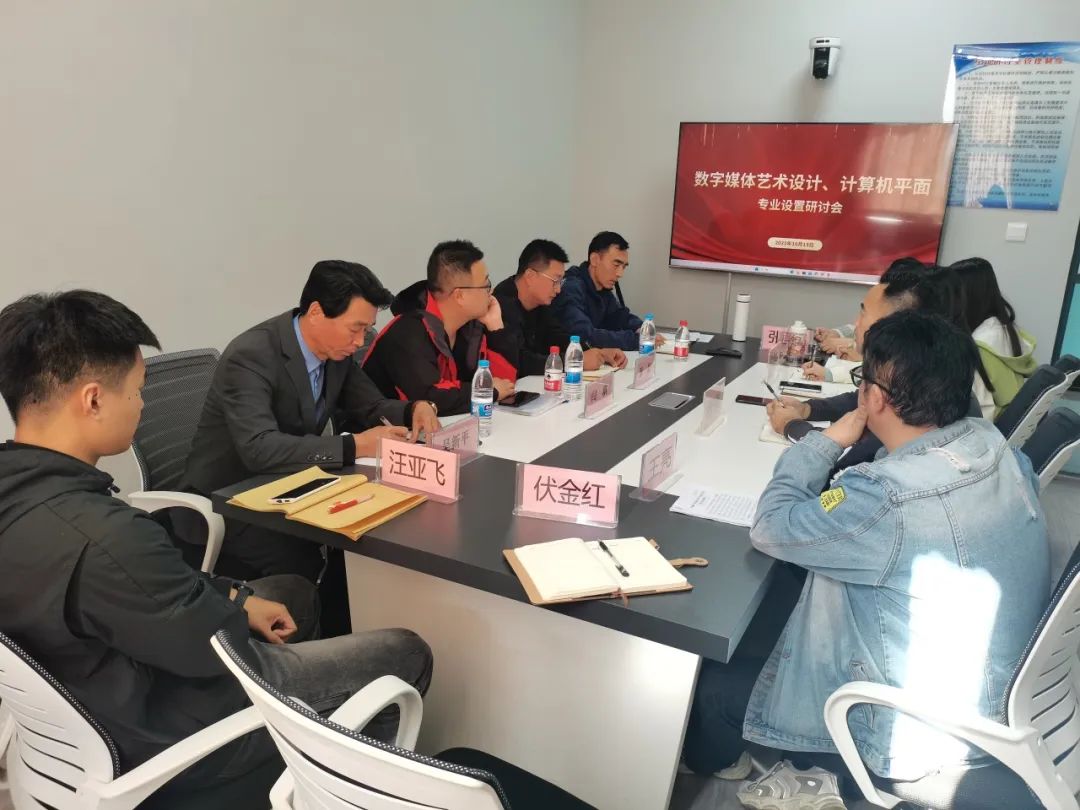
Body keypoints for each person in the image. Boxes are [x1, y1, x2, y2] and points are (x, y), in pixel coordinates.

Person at [0, 290, 433, 808]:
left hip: (88, 703)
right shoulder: (105, 536)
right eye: (137, 391)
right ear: (93, 400)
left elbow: (158, 593)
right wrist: (232, 611)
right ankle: (332, 786)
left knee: (293, 593)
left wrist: (235, 597)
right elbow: (212, 645)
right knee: (406, 651)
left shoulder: (25, 493)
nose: (141, 405)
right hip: (168, 735)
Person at [685, 310, 1050, 806]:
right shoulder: (987, 441)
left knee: (711, 688)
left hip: (912, 727)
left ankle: (730, 766)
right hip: (995, 695)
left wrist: (825, 442)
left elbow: (771, 525)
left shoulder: (888, 496)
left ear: (874, 397)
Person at [183, 260, 440, 588]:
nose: (360, 341)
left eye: (366, 329)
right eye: (355, 328)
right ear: (317, 312)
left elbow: (371, 406)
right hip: (231, 501)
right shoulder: (251, 356)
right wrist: (355, 445)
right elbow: (259, 448)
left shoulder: (335, 352)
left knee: (371, 531)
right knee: (313, 557)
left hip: (291, 485)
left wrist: (414, 409)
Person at [769, 261, 975, 472]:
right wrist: (808, 409)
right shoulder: (926, 374)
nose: (856, 324)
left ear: (896, 326)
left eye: (864, 313)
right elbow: (860, 401)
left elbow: (850, 461)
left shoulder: (915, 404)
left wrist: (792, 426)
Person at [363, 240, 517, 415]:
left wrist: (496, 328)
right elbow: (430, 397)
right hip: (384, 429)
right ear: (459, 295)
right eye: (485, 285)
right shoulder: (407, 333)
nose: (490, 292)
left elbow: (505, 385)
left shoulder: (470, 326)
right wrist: (488, 391)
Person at [489, 238, 627, 377]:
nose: (558, 289)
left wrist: (597, 352)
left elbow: (557, 336)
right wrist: (573, 361)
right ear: (530, 276)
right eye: (555, 281)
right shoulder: (501, 305)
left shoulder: (541, 302)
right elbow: (518, 361)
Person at [552, 231, 666, 351]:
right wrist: (637, 340)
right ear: (595, 259)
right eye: (616, 265)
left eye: (623, 267)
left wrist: (643, 329)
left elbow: (620, 317)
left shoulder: (602, 288)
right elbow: (585, 336)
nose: (620, 274)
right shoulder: (571, 287)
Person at [953, 257, 1036, 419]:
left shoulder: (978, 346)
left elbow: (982, 411)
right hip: (1011, 419)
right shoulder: (1005, 329)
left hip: (992, 425)